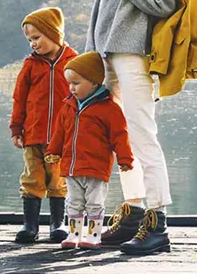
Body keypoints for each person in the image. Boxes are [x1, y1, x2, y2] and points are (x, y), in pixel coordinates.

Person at [84, 0, 178, 255]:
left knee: (142, 136)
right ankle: (134, 213)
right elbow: (98, 12)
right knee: (119, 139)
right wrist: (91, 55)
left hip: (135, 58)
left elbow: (165, 3)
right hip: (107, 58)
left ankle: (159, 224)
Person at [44, 51, 134, 249]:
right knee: (73, 202)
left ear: (94, 83)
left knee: (94, 203)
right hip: (71, 166)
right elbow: (59, 132)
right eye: (70, 83)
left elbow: (120, 135)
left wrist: (125, 158)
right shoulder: (68, 106)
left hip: (96, 167)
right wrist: (53, 150)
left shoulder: (109, 109)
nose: (71, 88)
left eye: (76, 83)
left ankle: (93, 235)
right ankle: (73, 234)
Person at [10, 7, 77, 243]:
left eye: (37, 38)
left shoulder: (73, 63)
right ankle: (30, 225)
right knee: (32, 178)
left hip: (62, 138)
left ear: (53, 34)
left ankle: (58, 224)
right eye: (29, 40)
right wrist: (16, 128)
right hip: (33, 135)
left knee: (58, 179)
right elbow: (19, 99)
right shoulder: (30, 65)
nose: (33, 44)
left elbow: (82, 99)